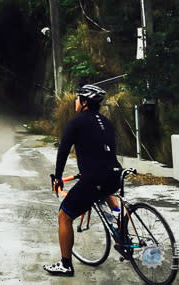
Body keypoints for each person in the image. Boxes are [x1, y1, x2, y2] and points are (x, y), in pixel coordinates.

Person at [43, 84, 122, 277]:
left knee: (64, 215)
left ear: (85, 102)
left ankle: (65, 264)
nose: (76, 102)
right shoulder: (107, 122)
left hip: (94, 178)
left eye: (78, 99)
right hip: (115, 174)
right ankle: (123, 236)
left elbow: (63, 151)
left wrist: (58, 177)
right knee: (110, 198)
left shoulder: (76, 122)